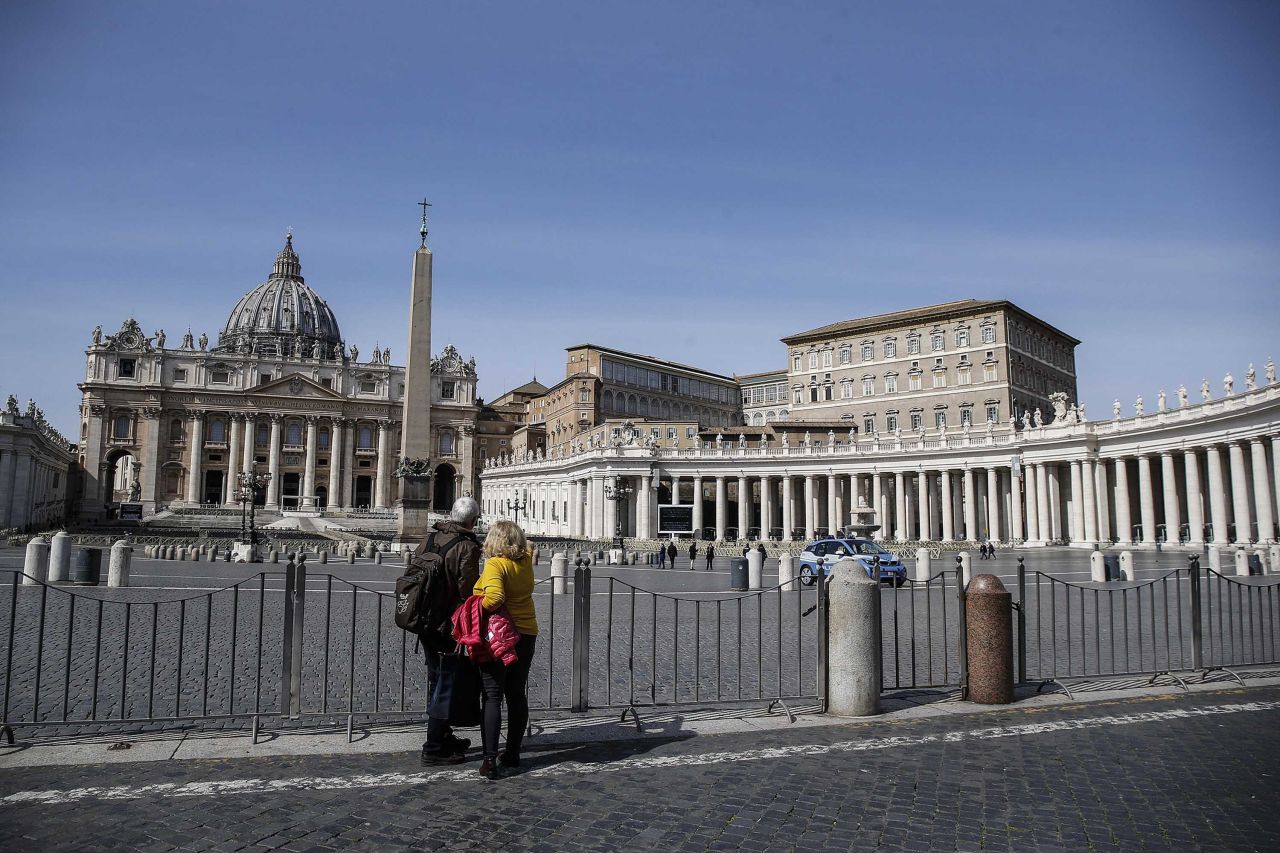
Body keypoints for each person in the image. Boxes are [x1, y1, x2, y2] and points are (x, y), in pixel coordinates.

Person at [473, 519, 539, 779]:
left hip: (499, 634)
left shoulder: (495, 564)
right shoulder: (525, 561)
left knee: (492, 695)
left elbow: (495, 598)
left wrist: (475, 606)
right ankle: (512, 752)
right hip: (526, 632)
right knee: (516, 693)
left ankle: (489, 760)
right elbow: (530, 546)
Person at [418, 497, 482, 766]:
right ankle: (433, 746)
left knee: (437, 678)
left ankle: (444, 735)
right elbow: (468, 589)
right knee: (444, 683)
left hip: (424, 619)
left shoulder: (432, 539)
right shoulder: (466, 546)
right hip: (447, 623)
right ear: (473, 521)